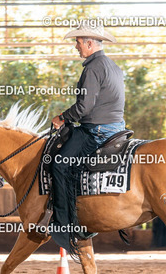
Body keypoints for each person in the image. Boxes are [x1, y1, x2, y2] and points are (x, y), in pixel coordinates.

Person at [48, 20, 126, 252]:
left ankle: (65, 224)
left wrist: (62, 117)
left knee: (60, 164)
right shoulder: (114, 67)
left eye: (78, 42)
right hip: (116, 128)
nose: (76, 46)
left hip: (97, 130)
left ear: (90, 44)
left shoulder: (92, 68)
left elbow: (84, 107)